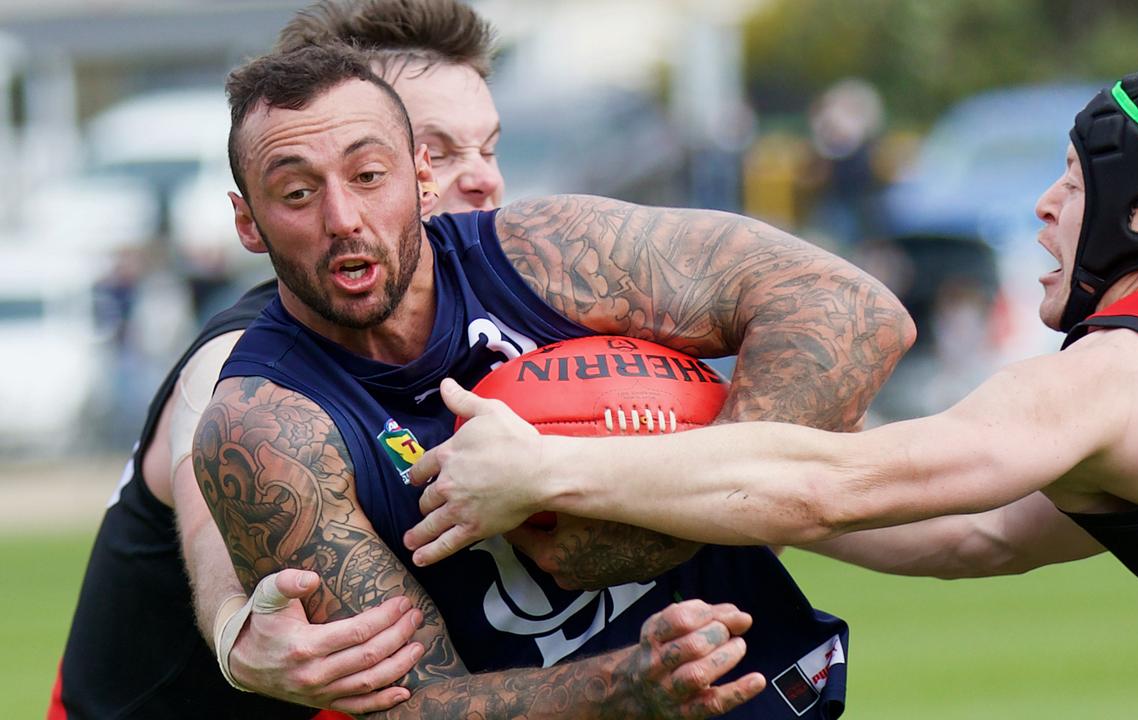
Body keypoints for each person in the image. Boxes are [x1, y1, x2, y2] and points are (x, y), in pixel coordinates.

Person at [407, 66, 1138, 690]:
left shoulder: (1118, 375)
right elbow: (984, 534)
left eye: (1072, 181)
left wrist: (549, 469)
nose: (1043, 206)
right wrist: (696, 425)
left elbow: (838, 487)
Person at [193, 40, 914, 718]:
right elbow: (404, 704)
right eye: (294, 193)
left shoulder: (547, 255)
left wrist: (661, 523)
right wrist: (622, 689)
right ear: (247, 222)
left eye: (367, 175)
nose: (342, 218)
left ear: (419, 175)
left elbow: (850, 309)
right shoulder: (265, 427)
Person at [51, 2, 512, 717]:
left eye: (487, 148)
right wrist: (236, 627)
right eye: (441, 151)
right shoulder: (245, 355)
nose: (481, 180)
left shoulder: (485, 304)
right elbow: (209, 468)